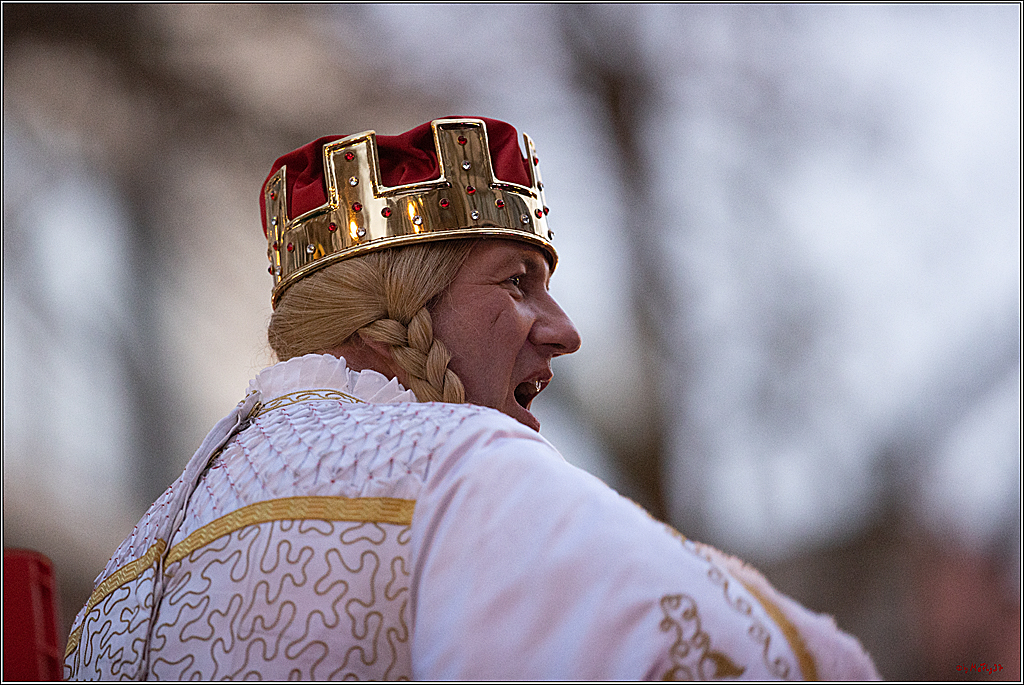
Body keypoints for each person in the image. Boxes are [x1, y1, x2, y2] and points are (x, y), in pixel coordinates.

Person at [63, 117, 879, 680]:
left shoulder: (119, 579)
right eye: (518, 282)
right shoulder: (460, 472)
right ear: (401, 311)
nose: (564, 331)